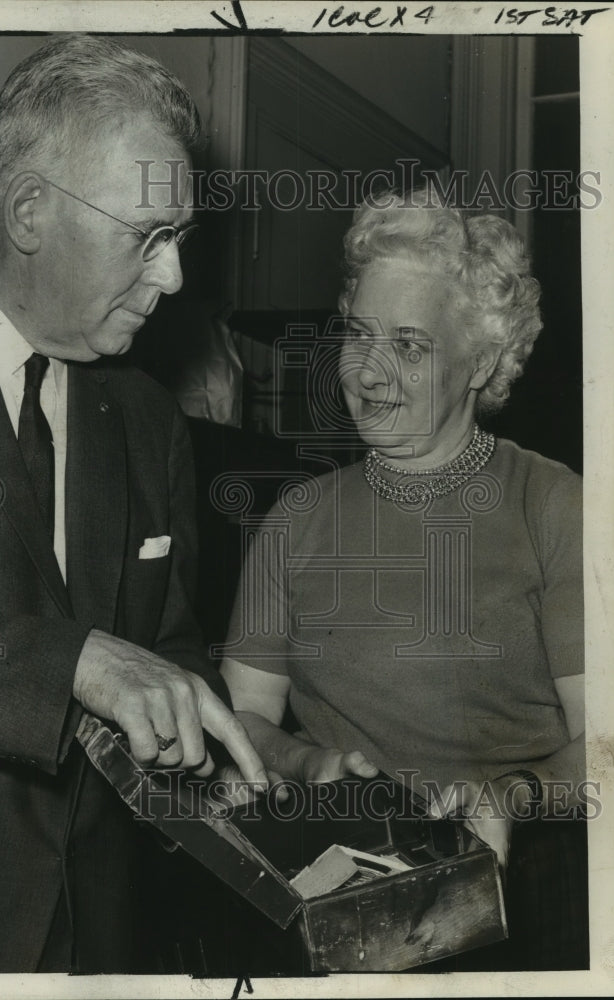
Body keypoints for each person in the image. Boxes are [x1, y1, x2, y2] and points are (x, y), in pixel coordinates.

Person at [0, 33, 267, 974]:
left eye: (181, 239)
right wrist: (75, 662)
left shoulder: (145, 416)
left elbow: (165, 651)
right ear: (27, 212)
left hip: (106, 945)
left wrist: (243, 759)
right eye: (148, 238)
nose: (174, 277)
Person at [220, 190, 587, 969]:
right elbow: (245, 722)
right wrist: (305, 763)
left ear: (481, 361)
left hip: (528, 894)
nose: (372, 370)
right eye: (359, 334)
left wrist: (508, 798)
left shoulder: (556, 506)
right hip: (342, 896)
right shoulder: (294, 520)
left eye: (412, 346)